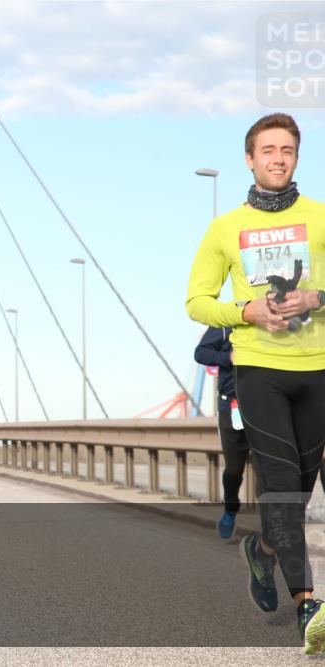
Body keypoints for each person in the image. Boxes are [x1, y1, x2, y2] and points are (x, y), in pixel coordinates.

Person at [186, 113, 325, 654]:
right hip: (258, 369)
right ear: (251, 158)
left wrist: (316, 298)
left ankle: (263, 549)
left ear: (296, 157)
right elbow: (196, 300)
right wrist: (245, 311)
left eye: (287, 150)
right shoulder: (225, 228)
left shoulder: (319, 217)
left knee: (298, 494)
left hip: (316, 369)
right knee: (284, 487)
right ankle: (308, 605)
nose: (278, 158)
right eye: (267, 150)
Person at [193, 326, 250, 539]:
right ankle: (230, 509)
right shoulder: (226, 323)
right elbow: (201, 353)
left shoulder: (274, 319)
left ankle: (272, 523)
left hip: (265, 406)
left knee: (269, 468)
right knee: (234, 469)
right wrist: (229, 356)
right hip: (231, 407)